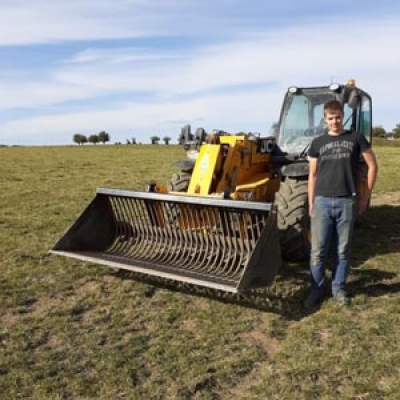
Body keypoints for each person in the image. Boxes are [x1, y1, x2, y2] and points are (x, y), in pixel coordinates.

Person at [304, 100, 378, 308]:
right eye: (330, 118)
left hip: (347, 201)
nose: (335, 121)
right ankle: (316, 290)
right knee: (318, 250)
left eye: (337, 117)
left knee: (343, 250)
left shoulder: (356, 138)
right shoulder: (318, 143)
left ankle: (338, 288)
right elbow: (313, 175)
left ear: (342, 116)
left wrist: (365, 196)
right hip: (322, 202)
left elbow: (372, 166)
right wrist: (312, 203)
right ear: (325, 119)